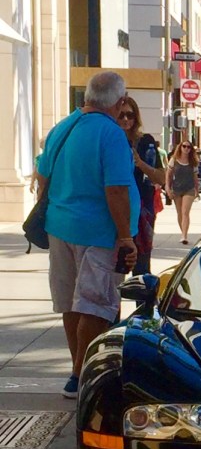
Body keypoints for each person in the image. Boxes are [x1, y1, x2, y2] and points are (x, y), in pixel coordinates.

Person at [33, 71, 138, 399]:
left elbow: (41, 173)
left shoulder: (63, 127)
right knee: (94, 305)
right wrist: (125, 237)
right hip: (99, 233)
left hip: (60, 228)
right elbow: (116, 190)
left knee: (71, 304)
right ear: (119, 102)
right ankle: (82, 375)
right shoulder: (111, 134)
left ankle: (77, 371)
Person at [116, 97, 164, 275]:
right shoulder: (109, 140)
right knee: (116, 266)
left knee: (142, 264)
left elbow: (161, 177)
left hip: (142, 208)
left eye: (130, 115)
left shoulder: (146, 142)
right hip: (116, 207)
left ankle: (143, 301)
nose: (126, 120)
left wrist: (140, 163)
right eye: (121, 115)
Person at [166, 140, 201, 243]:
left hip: (189, 189)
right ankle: (183, 233)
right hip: (177, 189)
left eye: (188, 147)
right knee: (179, 213)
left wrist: (197, 191)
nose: (186, 149)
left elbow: (195, 177)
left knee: (185, 212)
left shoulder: (193, 162)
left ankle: (184, 236)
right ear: (180, 147)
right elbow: (168, 175)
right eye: (184, 146)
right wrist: (168, 188)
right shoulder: (174, 160)